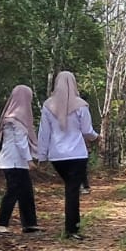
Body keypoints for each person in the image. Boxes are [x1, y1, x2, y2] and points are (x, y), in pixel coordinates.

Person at [37, 71, 99, 240]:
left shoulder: (48, 106)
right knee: (72, 191)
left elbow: (44, 132)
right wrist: (96, 137)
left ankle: (72, 228)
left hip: (57, 156)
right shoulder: (81, 106)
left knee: (70, 189)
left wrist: (41, 156)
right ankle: (72, 229)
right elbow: (87, 131)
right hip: (77, 155)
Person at [0, 85, 42, 235]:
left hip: (14, 161)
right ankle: (1, 224)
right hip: (13, 161)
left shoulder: (11, 116)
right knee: (13, 191)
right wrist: (29, 160)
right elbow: (20, 142)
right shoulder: (17, 117)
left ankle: (30, 224)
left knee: (26, 192)